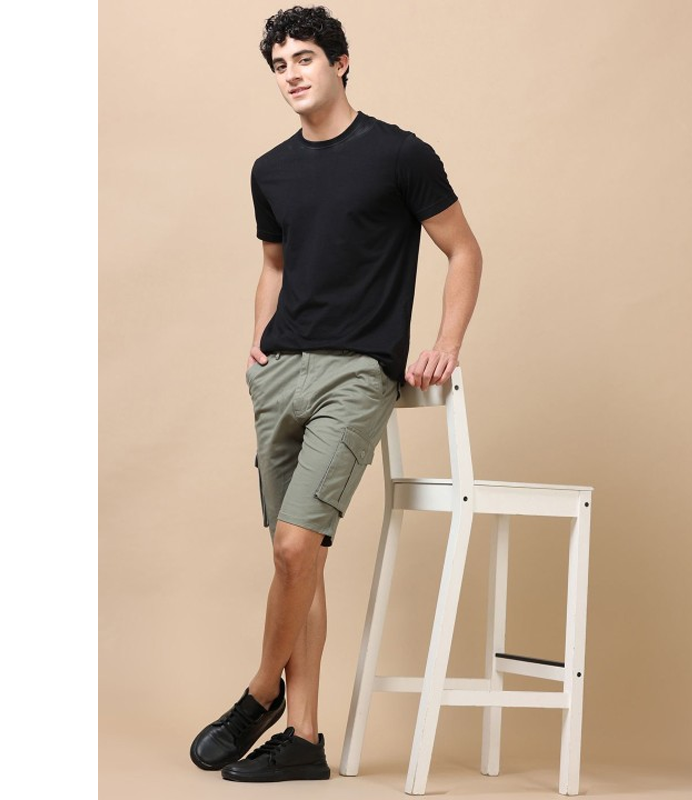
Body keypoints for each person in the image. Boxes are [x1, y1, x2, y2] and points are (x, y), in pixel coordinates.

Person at [189, 4, 482, 783]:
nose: (291, 74)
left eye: (305, 58)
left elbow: (463, 250)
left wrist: (446, 343)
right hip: (279, 373)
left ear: (340, 62)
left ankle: (260, 694)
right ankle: (305, 740)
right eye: (279, 64)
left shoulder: (399, 155)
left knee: (295, 547)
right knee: (301, 561)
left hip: (356, 373)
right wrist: (258, 343)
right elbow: (275, 265)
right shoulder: (270, 169)